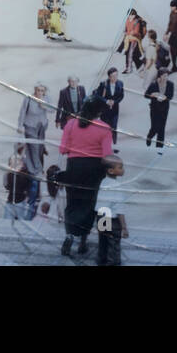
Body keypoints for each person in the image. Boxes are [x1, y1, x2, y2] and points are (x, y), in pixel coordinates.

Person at [57, 98, 112, 257]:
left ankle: (69, 236)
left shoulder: (71, 124)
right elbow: (107, 155)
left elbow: (62, 149)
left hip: (74, 168)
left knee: (73, 204)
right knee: (90, 205)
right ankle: (83, 242)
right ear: (99, 112)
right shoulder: (105, 128)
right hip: (95, 170)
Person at [17, 83, 51, 209]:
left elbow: (53, 110)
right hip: (30, 126)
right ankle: (37, 170)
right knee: (34, 148)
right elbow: (22, 112)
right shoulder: (28, 98)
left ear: (44, 91)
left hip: (41, 127)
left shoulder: (47, 99)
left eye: (42, 90)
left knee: (39, 149)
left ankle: (36, 170)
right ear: (34, 90)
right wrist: (20, 126)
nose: (39, 92)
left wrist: (45, 106)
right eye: (38, 90)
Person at [94, 154, 129, 266]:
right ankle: (112, 263)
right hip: (112, 219)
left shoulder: (103, 182)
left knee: (103, 242)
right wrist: (124, 227)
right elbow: (119, 208)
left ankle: (101, 261)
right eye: (120, 167)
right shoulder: (117, 185)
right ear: (111, 171)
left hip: (101, 216)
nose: (123, 170)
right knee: (114, 244)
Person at [94, 68, 125, 148]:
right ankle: (104, 145)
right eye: (113, 76)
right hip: (104, 110)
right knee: (105, 127)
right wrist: (106, 101)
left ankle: (114, 145)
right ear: (109, 77)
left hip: (115, 110)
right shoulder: (103, 84)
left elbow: (121, 96)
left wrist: (115, 102)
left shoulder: (120, 83)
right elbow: (97, 95)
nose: (115, 78)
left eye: (116, 75)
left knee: (114, 127)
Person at [144, 67, 173, 148]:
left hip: (164, 109)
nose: (166, 77)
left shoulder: (170, 84)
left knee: (162, 128)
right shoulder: (153, 84)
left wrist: (165, 97)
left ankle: (159, 148)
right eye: (164, 76)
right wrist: (153, 95)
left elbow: (170, 96)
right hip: (154, 108)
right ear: (159, 76)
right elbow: (146, 94)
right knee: (155, 127)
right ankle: (150, 136)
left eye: (167, 76)